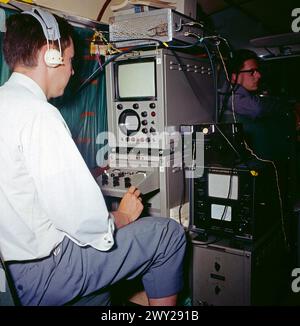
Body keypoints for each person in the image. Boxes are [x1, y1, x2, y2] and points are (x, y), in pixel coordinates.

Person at [0, 8, 186, 306]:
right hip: (49, 271)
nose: (72, 70)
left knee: (98, 293)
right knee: (169, 234)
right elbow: (87, 224)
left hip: (12, 276)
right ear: (51, 55)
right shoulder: (40, 115)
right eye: (71, 60)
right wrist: (123, 215)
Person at [219, 48, 297, 249]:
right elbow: (258, 108)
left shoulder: (246, 97)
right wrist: (285, 106)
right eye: (252, 71)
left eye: (257, 71)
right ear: (235, 76)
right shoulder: (231, 99)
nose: (258, 75)